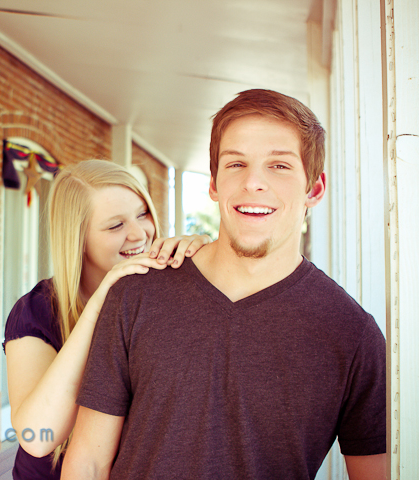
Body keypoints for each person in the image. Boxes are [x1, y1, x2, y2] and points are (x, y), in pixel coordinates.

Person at [62, 90, 387, 480]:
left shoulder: (351, 334)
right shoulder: (136, 295)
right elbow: (89, 462)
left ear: (314, 189)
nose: (253, 182)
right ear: (214, 183)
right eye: (236, 163)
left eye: (279, 165)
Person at [3, 159, 211, 479]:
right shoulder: (36, 311)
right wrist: (101, 301)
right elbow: (38, 437)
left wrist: (207, 262)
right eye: (115, 226)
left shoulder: (160, 295)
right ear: (78, 239)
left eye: (142, 214)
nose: (139, 234)